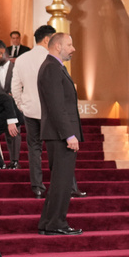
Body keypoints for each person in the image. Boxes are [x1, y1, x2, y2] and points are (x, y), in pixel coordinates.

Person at [12, 25, 82, 199]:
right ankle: (69, 187)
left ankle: (37, 187)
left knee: (34, 149)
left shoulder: (21, 59)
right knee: (60, 152)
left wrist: (23, 106)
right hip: (51, 113)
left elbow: (15, 87)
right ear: (47, 40)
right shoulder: (52, 59)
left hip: (30, 111)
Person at [38, 33, 83, 236]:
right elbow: (57, 107)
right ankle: (56, 223)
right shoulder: (51, 68)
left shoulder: (54, 67)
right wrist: (69, 135)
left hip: (58, 134)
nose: (73, 49)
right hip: (60, 135)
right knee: (62, 182)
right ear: (57, 46)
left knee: (60, 181)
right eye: (69, 45)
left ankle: (49, 222)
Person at [0, 43, 23, 169]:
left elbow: (24, 85)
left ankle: (15, 161)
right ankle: (11, 161)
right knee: (8, 135)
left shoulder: (17, 68)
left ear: (4, 54)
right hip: (2, 109)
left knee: (15, 133)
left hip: (16, 107)